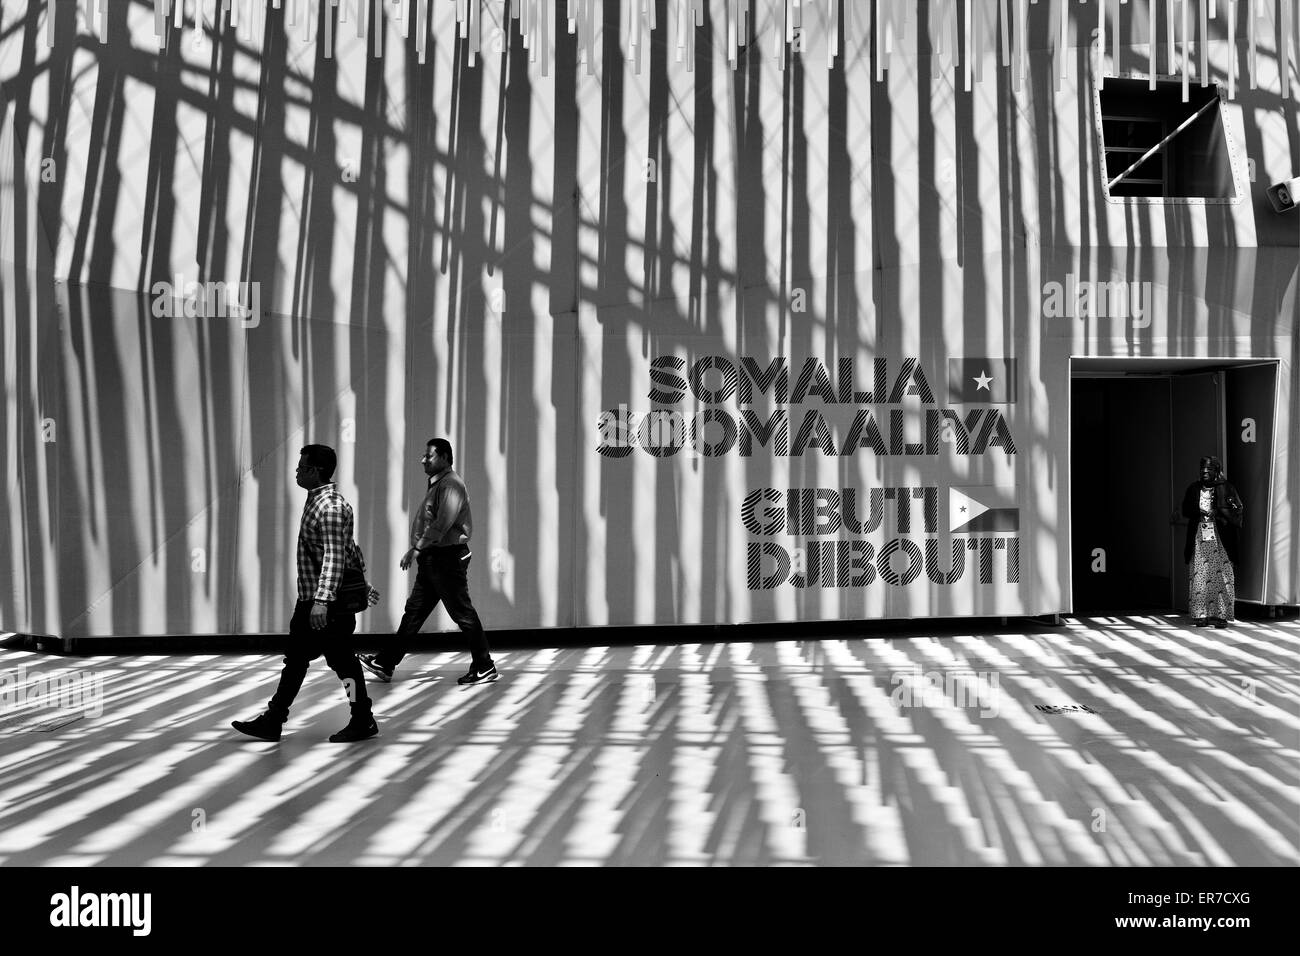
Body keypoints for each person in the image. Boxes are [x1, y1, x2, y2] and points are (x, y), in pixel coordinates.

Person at [232, 444, 379, 742]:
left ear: (316, 471)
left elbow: (336, 556)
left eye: (301, 467)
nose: (297, 472)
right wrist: (363, 584)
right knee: (298, 660)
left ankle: (362, 717)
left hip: (326, 607)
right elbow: (349, 549)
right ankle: (274, 719)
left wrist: (322, 601)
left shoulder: (331, 507)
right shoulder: (317, 501)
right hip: (312, 602)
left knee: (343, 665)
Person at [358, 438, 498, 685]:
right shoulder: (439, 484)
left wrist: (416, 548)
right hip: (434, 560)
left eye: (429, 456)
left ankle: (485, 665)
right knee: (414, 613)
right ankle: (385, 663)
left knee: (462, 613)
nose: (423, 459)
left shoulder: (451, 485)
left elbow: (442, 523)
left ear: (444, 457)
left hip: (446, 559)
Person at [1180, 455, 1244, 628]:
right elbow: (1185, 509)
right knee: (1200, 574)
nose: (1205, 471)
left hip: (1221, 539)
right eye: (1203, 468)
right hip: (1200, 537)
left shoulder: (1227, 487)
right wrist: (1198, 511)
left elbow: (1238, 510)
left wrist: (1219, 512)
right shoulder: (1194, 488)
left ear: (1217, 470)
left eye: (1209, 468)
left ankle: (1221, 615)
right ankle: (1201, 615)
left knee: (1222, 575)